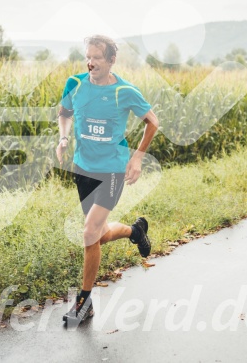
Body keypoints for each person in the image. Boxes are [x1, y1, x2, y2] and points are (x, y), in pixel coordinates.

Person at [56, 34, 159, 326]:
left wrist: (137, 157)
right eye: (88, 57)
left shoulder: (124, 91)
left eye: (97, 58)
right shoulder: (75, 84)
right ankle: (135, 232)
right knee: (97, 235)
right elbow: (64, 113)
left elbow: (152, 121)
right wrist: (63, 137)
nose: (90, 63)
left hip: (112, 170)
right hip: (83, 168)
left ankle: (84, 303)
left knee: (88, 233)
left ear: (111, 60)